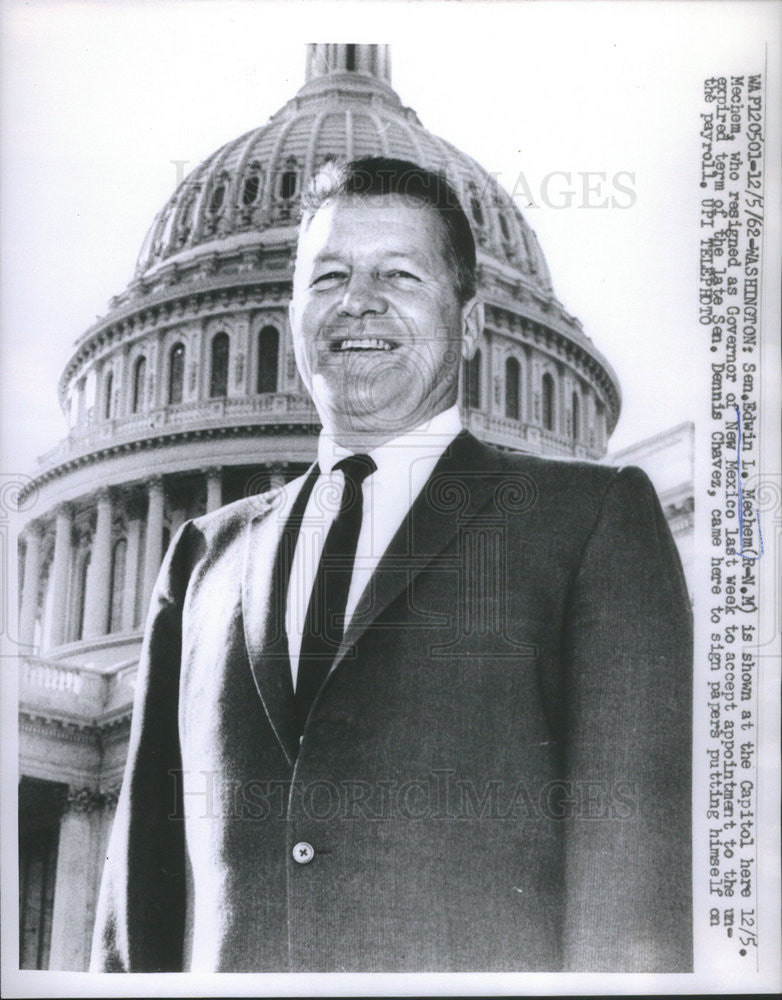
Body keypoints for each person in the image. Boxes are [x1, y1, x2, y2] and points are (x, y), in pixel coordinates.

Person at [91, 157, 692, 974]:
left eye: (399, 276)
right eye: (328, 276)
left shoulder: (589, 523)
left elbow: (634, 908)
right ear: (290, 312)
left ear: (473, 323)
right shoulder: (203, 560)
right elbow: (139, 916)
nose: (358, 301)